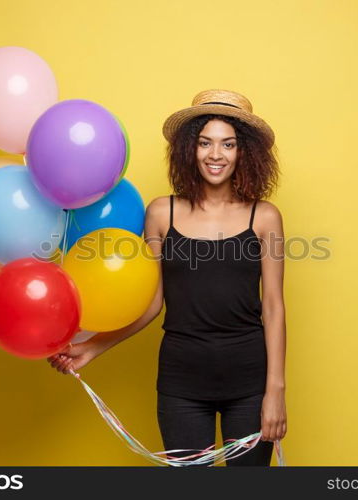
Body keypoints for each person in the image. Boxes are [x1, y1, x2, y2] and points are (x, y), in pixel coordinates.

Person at [48, 89, 287, 466]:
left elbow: (273, 307)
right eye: (205, 143)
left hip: (250, 385)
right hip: (181, 386)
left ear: (244, 152)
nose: (216, 154)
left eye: (228, 144)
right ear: (189, 149)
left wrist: (275, 391)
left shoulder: (266, 218)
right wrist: (91, 347)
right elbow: (152, 304)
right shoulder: (161, 213)